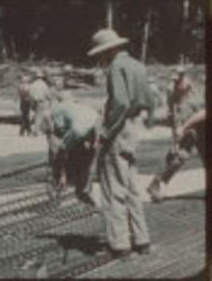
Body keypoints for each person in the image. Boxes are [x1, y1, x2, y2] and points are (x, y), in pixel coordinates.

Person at [87, 28, 153, 257]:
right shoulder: (138, 65)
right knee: (132, 186)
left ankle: (119, 244)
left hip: (119, 130)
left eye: (100, 55)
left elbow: (121, 103)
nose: (100, 59)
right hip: (135, 129)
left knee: (114, 188)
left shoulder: (116, 67)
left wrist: (105, 132)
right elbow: (148, 100)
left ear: (108, 50)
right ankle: (142, 239)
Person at [147, 66, 204, 201]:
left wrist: (183, 126)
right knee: (180, 155)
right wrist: (176, 132)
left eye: (178, 79)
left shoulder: (194, 88)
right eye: (174, 79)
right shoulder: (172, 89)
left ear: (184, 77)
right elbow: (172, 112)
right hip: (190, 126)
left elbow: (202, 111)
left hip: (199, 123)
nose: (176, 83)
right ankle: (156, 183)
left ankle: (156, 183)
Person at [40, 91, 99, 202]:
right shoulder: (81, 106)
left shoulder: (58, 108)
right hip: (95, 127)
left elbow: (57, 131)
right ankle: (83, 188)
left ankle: (61, 180)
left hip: (78, 129)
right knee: (87, 160)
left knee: (60, 153)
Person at [28, 69, 52, 136]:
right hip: (41, 101)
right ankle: (36, 130)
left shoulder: (32, 84)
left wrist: (31, 100)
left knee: (35, 115)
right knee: (39, 116)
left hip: (33, 101)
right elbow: (47, 93)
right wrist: (50, 100)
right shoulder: (43, 84)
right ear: (42, 77)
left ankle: (33, 128)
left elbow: (30, 93)